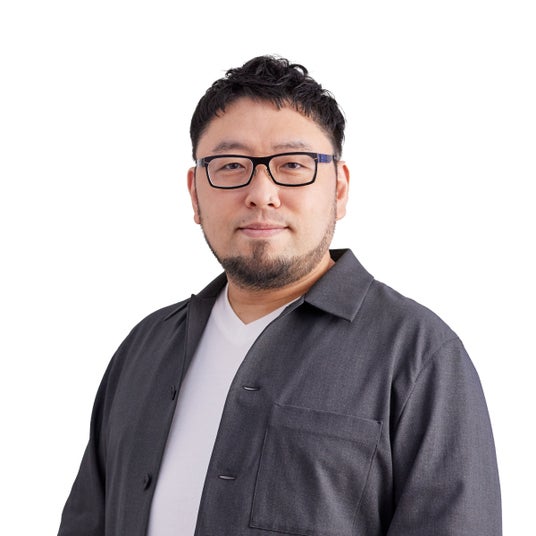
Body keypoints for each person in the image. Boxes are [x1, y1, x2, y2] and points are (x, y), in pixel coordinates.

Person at [58, 55, 502, 536]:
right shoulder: (144, 348)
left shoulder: (419, 355)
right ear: (195, 193)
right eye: (231, 166)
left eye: (292, 165)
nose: (261, 193)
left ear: (339, 189)